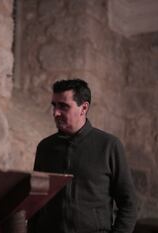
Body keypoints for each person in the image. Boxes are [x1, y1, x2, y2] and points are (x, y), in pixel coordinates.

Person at [29, 79, 137, 233]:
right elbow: (36, 202)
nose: (55, 113)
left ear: (84, 108)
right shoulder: (45, 147)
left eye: (63, 106)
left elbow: (129, 203)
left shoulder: (109, 146)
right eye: (54, 105)